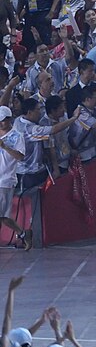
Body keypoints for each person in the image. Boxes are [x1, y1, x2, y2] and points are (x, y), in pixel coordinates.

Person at [0, 106, 30, 250]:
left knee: (3, 216)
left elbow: (20, 156)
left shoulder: (17, 136)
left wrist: (5, 147)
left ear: (9, 119)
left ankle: (22, 234)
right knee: (3, 216)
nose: (0, 124)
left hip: (5, 180)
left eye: (3, 121)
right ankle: (22, 234)